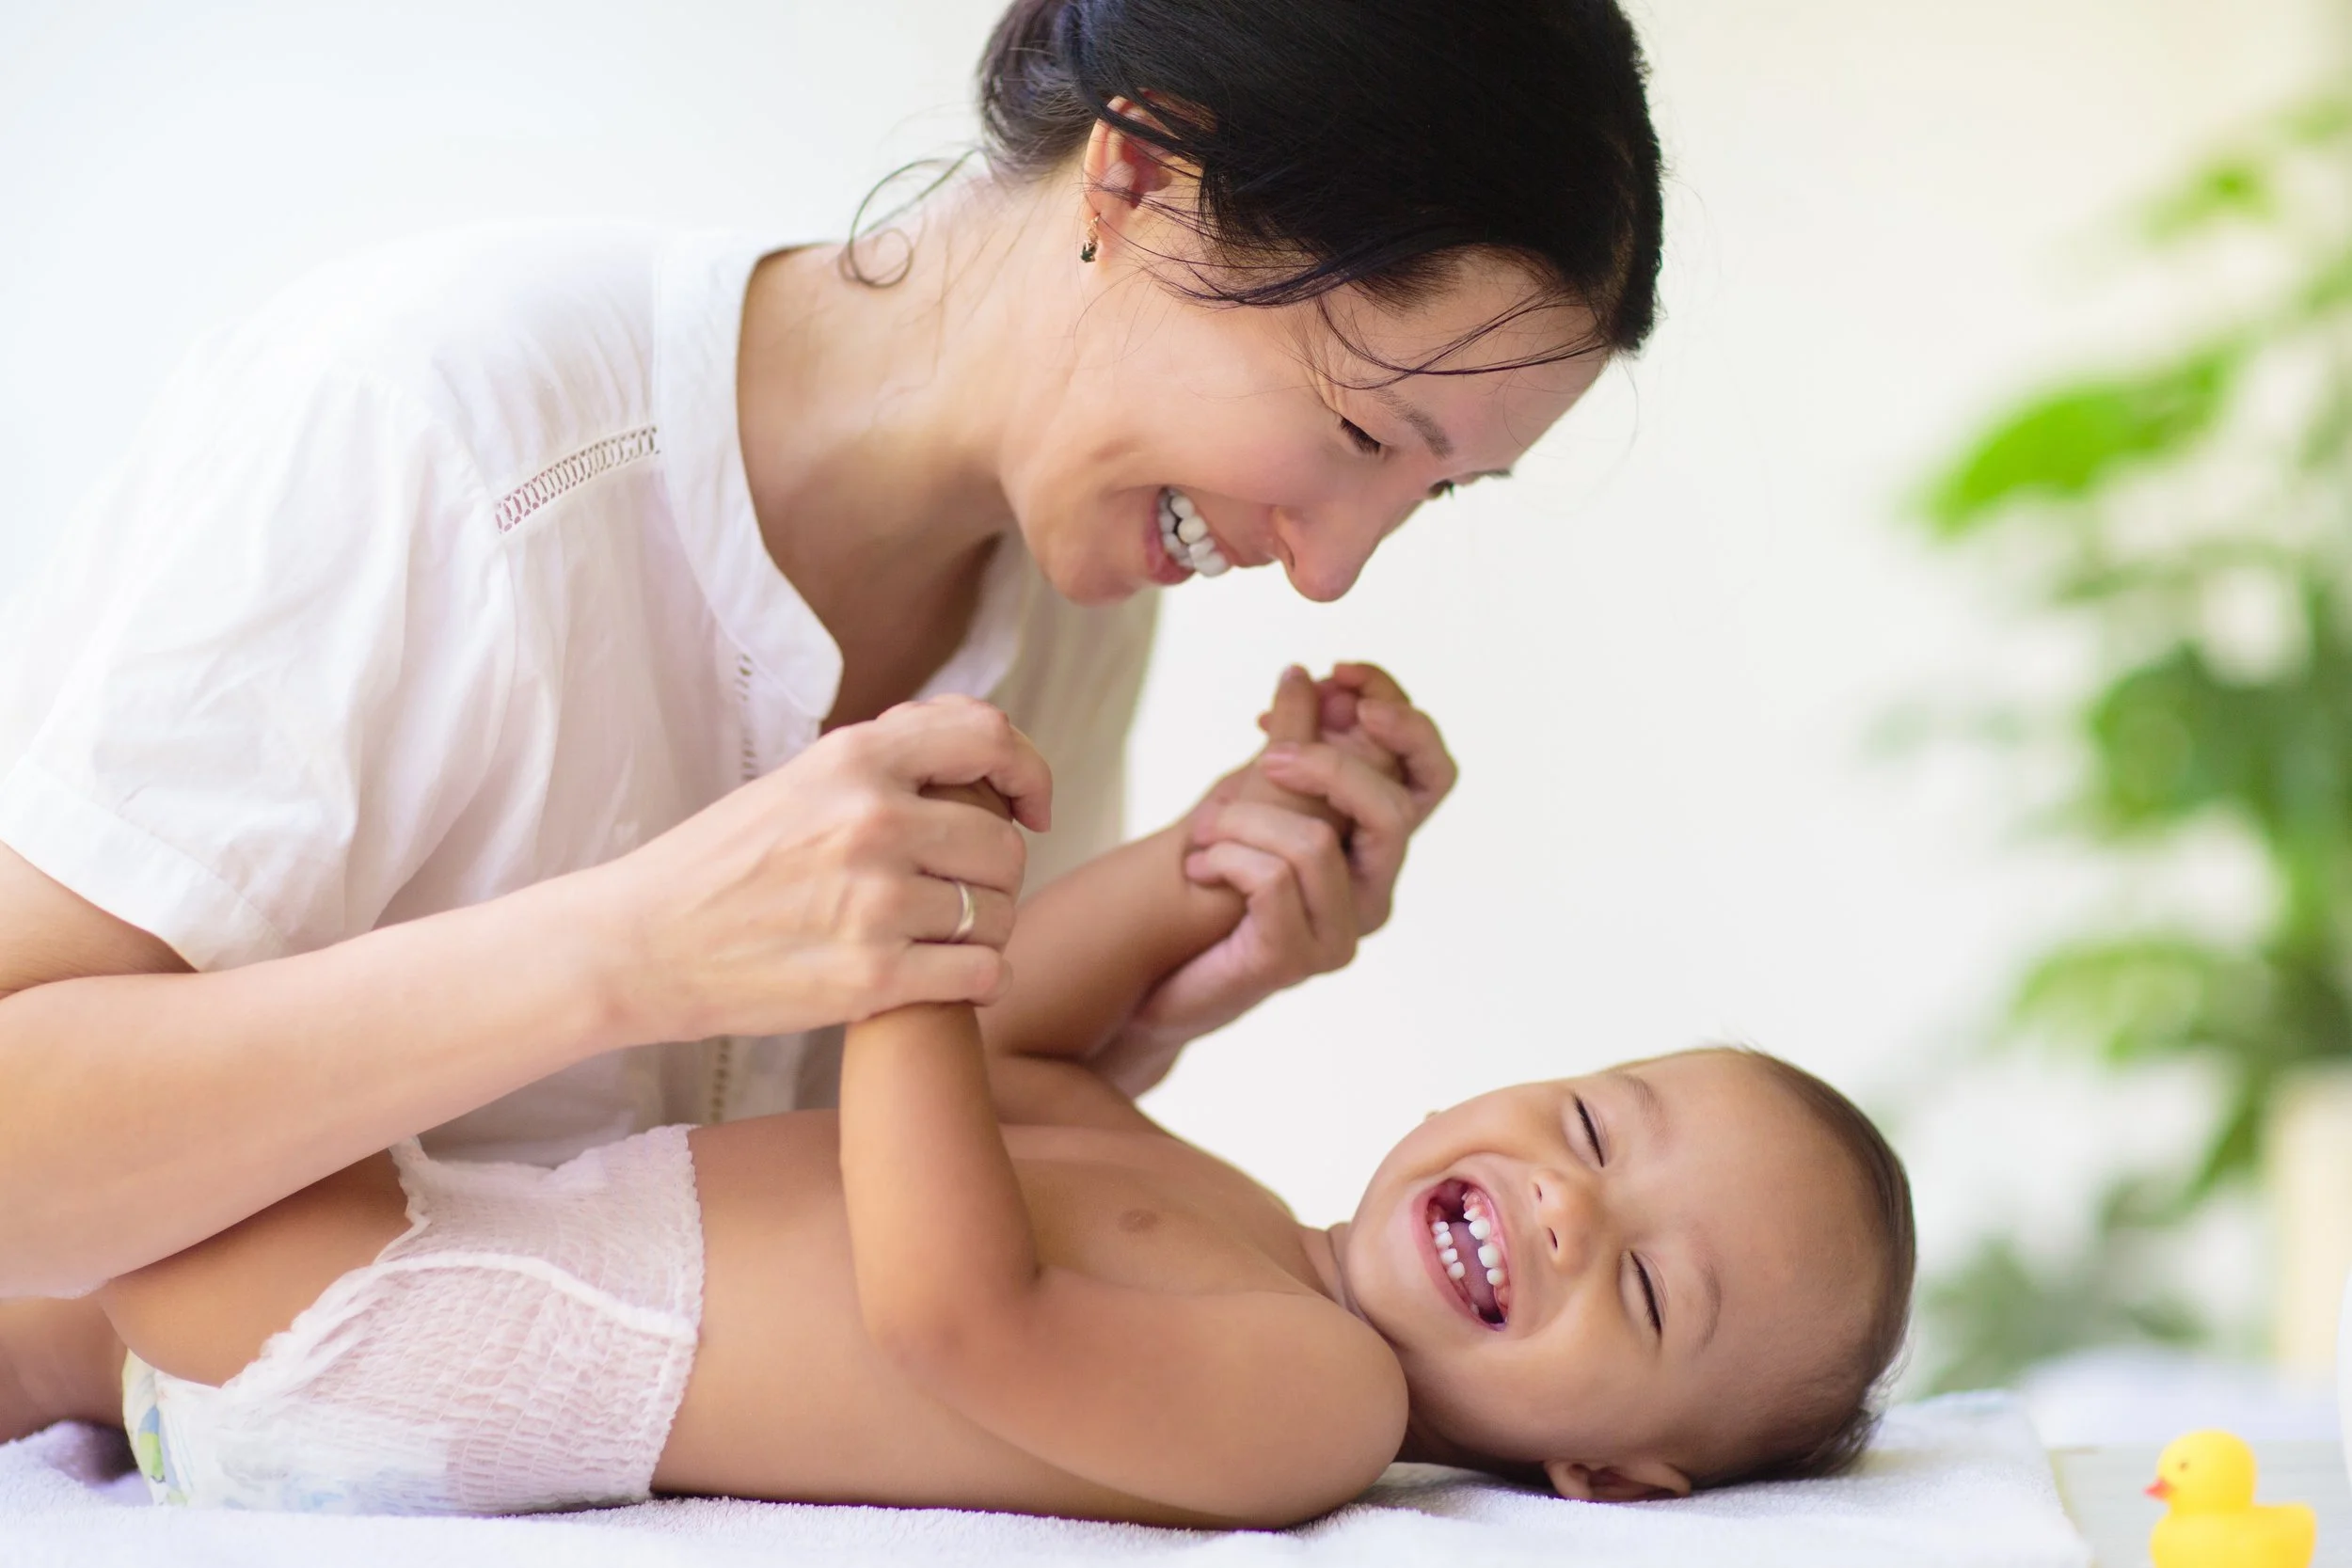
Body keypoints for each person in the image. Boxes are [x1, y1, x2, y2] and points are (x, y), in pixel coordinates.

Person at [0, 0, 1664, 1441]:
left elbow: (826, 1213)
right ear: (1142, 179)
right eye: (1368, 434)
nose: (1330, 569)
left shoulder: (1071, 609)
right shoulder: (437, 432)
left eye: (1435, 496)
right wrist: (629, 949)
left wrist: (1159, 989)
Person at [90, 669, 1915, 1524]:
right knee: (94, 1248)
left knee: (134, 1054)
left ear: (1605, 1470)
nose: (1566, 1207)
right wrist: (1214, 857)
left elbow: (959, 1313)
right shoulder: (1224, 1208)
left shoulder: (1323, 1406)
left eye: (1649, 1291)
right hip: (426, 1261)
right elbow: (1022, 1052)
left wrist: (899, 938)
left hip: (420, 1331)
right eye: (1591, 1125)